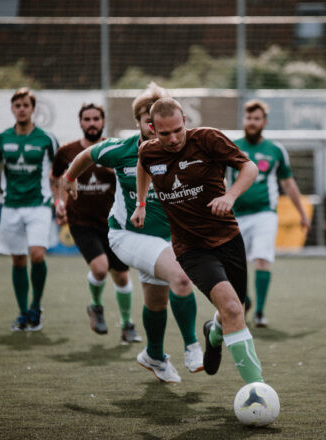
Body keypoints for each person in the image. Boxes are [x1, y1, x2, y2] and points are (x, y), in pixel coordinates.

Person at [62, 83, 203, 383]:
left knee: (156, 303)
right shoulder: (122, 149)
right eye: (147, 121)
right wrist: (70, 177)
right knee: (181, 277)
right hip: (127, 236)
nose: (156, 128)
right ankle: (192, 346)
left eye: (163, 124)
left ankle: (153, 354)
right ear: (138, 122)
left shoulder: (180, 150)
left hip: (165, 239)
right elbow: (88, 154)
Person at [132, 97, 266, 387]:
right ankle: (257, 391)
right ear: (153, 129)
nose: (173, 138)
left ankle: (214, 332)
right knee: (232, 308)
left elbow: (250, 168)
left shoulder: (207, 139)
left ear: (185, 122)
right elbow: (143, 164)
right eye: (164, 133)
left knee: (233, 311)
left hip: (227, 239)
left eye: (178, 130)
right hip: (190, 248)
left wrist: (229, 197)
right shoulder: (149, 151)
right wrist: (141, 203)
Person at [51, 103, 141, 343]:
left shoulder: (114, 149)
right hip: (81, 222)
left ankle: (126, 324)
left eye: (96, 119)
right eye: (87, 119)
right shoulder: (66, 152)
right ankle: (96, 306)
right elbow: (55, 177)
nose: (91, 123)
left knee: (121, 277)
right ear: (80, 122)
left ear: (103, 122)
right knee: (100, 268)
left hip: (114, 222)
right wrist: (58, 202)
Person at [0, 87, 58, 331]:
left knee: (37, 254)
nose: (21, 109)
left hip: (39, 206)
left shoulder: (47, 138)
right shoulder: (2, 138)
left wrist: (60, 200)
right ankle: (22, 313)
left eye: (25, 105)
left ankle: (36, 306)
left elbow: (58, 173)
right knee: (18, 259)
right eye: (17, 105)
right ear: (13, 109)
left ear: (33, 109)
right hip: (11, 206)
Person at [232, 99, 310, 327]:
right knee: (235, 267)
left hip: (265, 214)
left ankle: (260, 314)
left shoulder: (275, 150)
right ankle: (245, 301)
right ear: (244, 120)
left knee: (262, 259)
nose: (252, 122)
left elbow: (288, 183)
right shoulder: (231, 147)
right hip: (235, 215)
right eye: (248, 118)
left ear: (264, 122)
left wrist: (302, 214)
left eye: (256, 119)